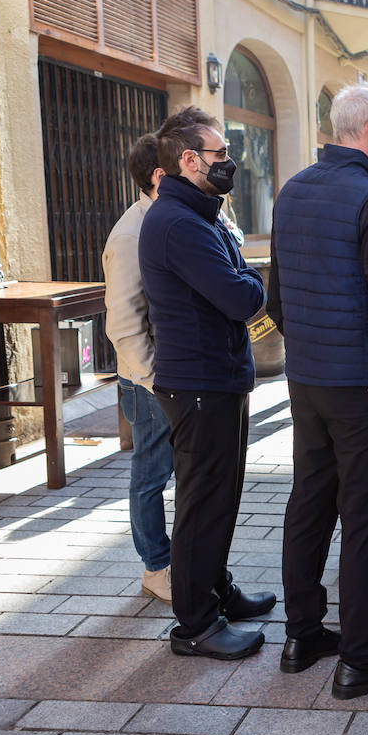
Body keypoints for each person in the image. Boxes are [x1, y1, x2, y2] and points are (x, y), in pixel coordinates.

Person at [268, 83, 368, 697]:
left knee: (308, 505)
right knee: (362, 518)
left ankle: (303, 632)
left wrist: (309, 352)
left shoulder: (292, 190)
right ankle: (360, 656)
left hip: (307, 381)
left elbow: (277, 297)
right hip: (362, 384)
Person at [140, 106, 276, 660]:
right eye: (220, 155)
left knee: (220, 498)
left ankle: (216, 592)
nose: (230, 162)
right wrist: (251, 280)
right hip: (199, 382)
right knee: (202, 504)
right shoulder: (178, 223)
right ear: (189, 160)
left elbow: (235, 282)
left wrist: (242, 275)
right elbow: (243, 296)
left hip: (217, 377)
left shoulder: (201, 214)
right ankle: (194, 623)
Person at [103, 134, 174, 604]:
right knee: (151, 474)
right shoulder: (131, 234)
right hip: (150, 380)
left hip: (177, 376)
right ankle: (156, 567)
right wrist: (153, 381)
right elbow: (125, 322)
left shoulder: (170, 219)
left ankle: (186, 563)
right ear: (160, 175)